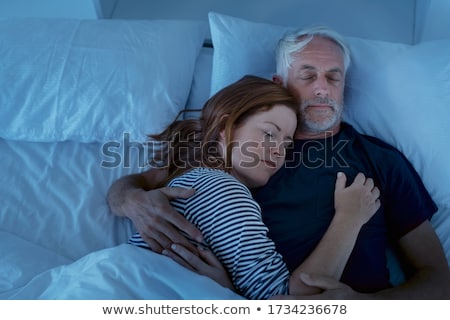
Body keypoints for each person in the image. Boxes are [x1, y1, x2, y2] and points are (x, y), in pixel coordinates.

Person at [108, 27, 450, 299]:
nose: (322, 89)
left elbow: (439, 282)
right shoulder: (234, 150)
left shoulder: (379, 160)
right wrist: (135, 204)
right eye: (307, 75)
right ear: (279, 82)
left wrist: (365, 306)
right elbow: (132, 185)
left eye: (333, 77)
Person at [123, 75, 380, 299]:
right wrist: (349, 219)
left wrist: (227, 292)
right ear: (226, 129)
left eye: (287, 143)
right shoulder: (222, 189)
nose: (278, 150)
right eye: (269, 133)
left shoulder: (194, 178)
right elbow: (285, 302)